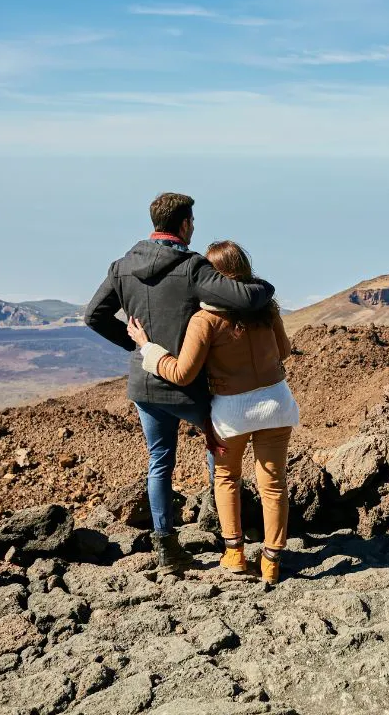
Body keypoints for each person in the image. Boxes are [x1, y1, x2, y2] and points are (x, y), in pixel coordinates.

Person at [85, 194, 274, 576]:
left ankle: (167, 548)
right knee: (217, 453)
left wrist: (136, 347)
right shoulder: (191, 268)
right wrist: (265, 288)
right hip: (189, 386)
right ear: (185, 224)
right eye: (192, 222)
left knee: (159, 463)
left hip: (144, 384)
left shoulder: (121, 267)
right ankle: (225, 536)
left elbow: (94, 316)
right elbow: (243, 297)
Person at [126, 240, 299, 584]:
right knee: (274, 485)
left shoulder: (204, 320)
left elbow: (181, 373)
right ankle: (271, 562)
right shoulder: (268, 308)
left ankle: (234, 554)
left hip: (232, 412)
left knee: (226, 478)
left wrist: (147, 347)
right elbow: (285, 350)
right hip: (276, 405)